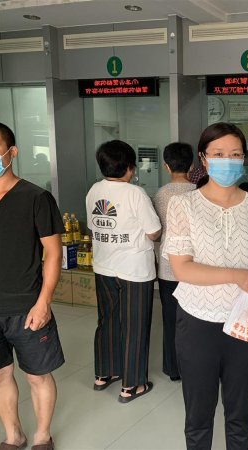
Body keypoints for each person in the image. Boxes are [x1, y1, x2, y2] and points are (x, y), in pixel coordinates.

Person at [163, 122, 248, 450]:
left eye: (235, 154)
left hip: (246, 325)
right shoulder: (183, 205)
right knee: (198, 414)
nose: (227, 161)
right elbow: (182, 268)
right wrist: (236, 275)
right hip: (198, 322)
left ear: (244, 159)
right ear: (203, 158)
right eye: (218, 154)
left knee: (240, 413)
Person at [0, 122, 64, 450]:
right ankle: (13, 435)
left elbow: (53, 253)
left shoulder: (36, 198)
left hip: (26, 305)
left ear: (12, 152)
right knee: (0, 375)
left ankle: (42, 435)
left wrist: (44, 301)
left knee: (37, 375)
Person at [86, 140, 161, 403]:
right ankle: (132, 384)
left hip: (103, 266)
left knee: (107, 320)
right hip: (134, 270)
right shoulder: (135, 193)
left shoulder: (94, 190)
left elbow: (94, 226)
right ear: (130, 167)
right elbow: (154, 232)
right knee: (134, 326)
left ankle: (104, 374)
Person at [152, 142, 195, 382]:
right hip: (197, 268)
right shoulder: (200, 192)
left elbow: (156, 231)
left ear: (166, 167)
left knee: (170, 320)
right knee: (196, 320)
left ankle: (173, 368)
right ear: (192, 165)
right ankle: (194, 367)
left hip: (168, 268)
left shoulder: (160, 195)